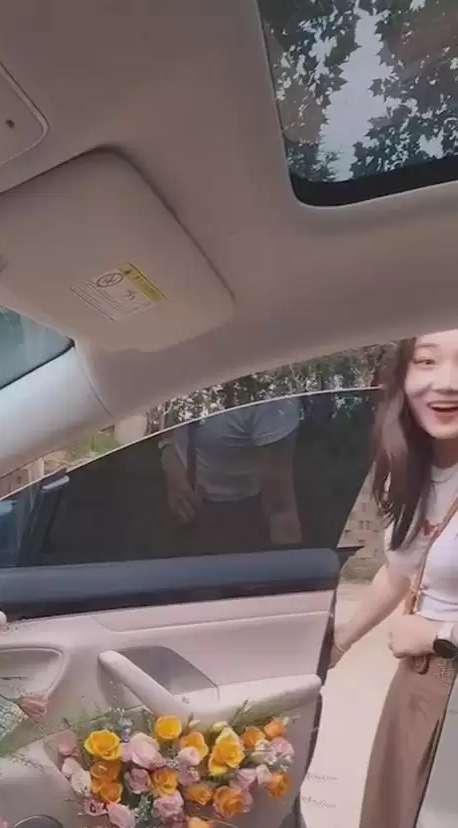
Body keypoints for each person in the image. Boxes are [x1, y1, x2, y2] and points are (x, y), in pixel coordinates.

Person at [331, 330, 458, 828]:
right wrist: (340, 641)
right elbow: (401, 568)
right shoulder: (413, 467)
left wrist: (438, 635)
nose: (446, 382)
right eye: (426, 361)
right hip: (419, 682)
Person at [159, 397, 303, 549]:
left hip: (239, 517)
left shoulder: (272, 402)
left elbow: (281, 512)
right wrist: (170, 459)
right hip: (168, 501)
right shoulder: (182, 383)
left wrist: (289, 558)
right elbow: (164, 413)